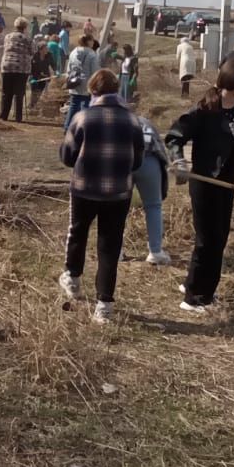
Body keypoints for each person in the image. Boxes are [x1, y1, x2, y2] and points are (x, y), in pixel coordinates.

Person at [165, 54, 234, 314]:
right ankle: (194, 299)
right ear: (233, 79)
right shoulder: (205, 110)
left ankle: (200, 288)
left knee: (219, 238)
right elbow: (174, 137)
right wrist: (179, 163)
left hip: (228, 184)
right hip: (204, 182)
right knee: (207, 239)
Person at [58, 69, 144, 324]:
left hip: (84, 188)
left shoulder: (83, 117)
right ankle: (104, 304)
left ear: (92, 91)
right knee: (110, 245)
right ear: (117, 91)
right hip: (118, 192)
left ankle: (73, 278)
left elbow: (66, 157)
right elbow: (137, 160)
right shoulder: (132, 120)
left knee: (78, 231)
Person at [131, 115, 171, 266]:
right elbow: (160, 147)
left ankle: (117, 251)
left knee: (118, 208)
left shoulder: (114, 119)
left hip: (123, 160)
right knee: (154, 206)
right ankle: (155, 251)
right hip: (149, 160)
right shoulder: (145, 121)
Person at [0, 17, 35, 122]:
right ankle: (18, 117)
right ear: (25, 27)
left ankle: (3, 115)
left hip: (7, 66)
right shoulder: (27, 39)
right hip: (21, 68)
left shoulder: (7, 36)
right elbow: (33, 51)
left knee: (6, 92)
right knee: (19, 93)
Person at [63, 34, 101, 131]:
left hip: (75, 83)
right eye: (92, 40)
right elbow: (95, 72)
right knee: (85, 107)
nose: (93, 42)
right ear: (88, 42)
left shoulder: (73, 52)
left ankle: (67, 128)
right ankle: (83, 129)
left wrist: (69, 78)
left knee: (73, 106)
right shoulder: (92, 54)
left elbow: (69, 69)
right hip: (87, 84)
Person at [30, 35, 55, 109]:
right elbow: (31, 66)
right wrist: (31, 77)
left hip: (44, 76)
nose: (47, 49)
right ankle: (32, 105)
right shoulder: (35, 56)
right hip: (35, 76)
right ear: (41, 49)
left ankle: (34, 105)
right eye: (46, 48)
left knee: (40, 91)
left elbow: (53, 64)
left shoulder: (49, 55)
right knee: (34, 91)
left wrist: (56, 71)